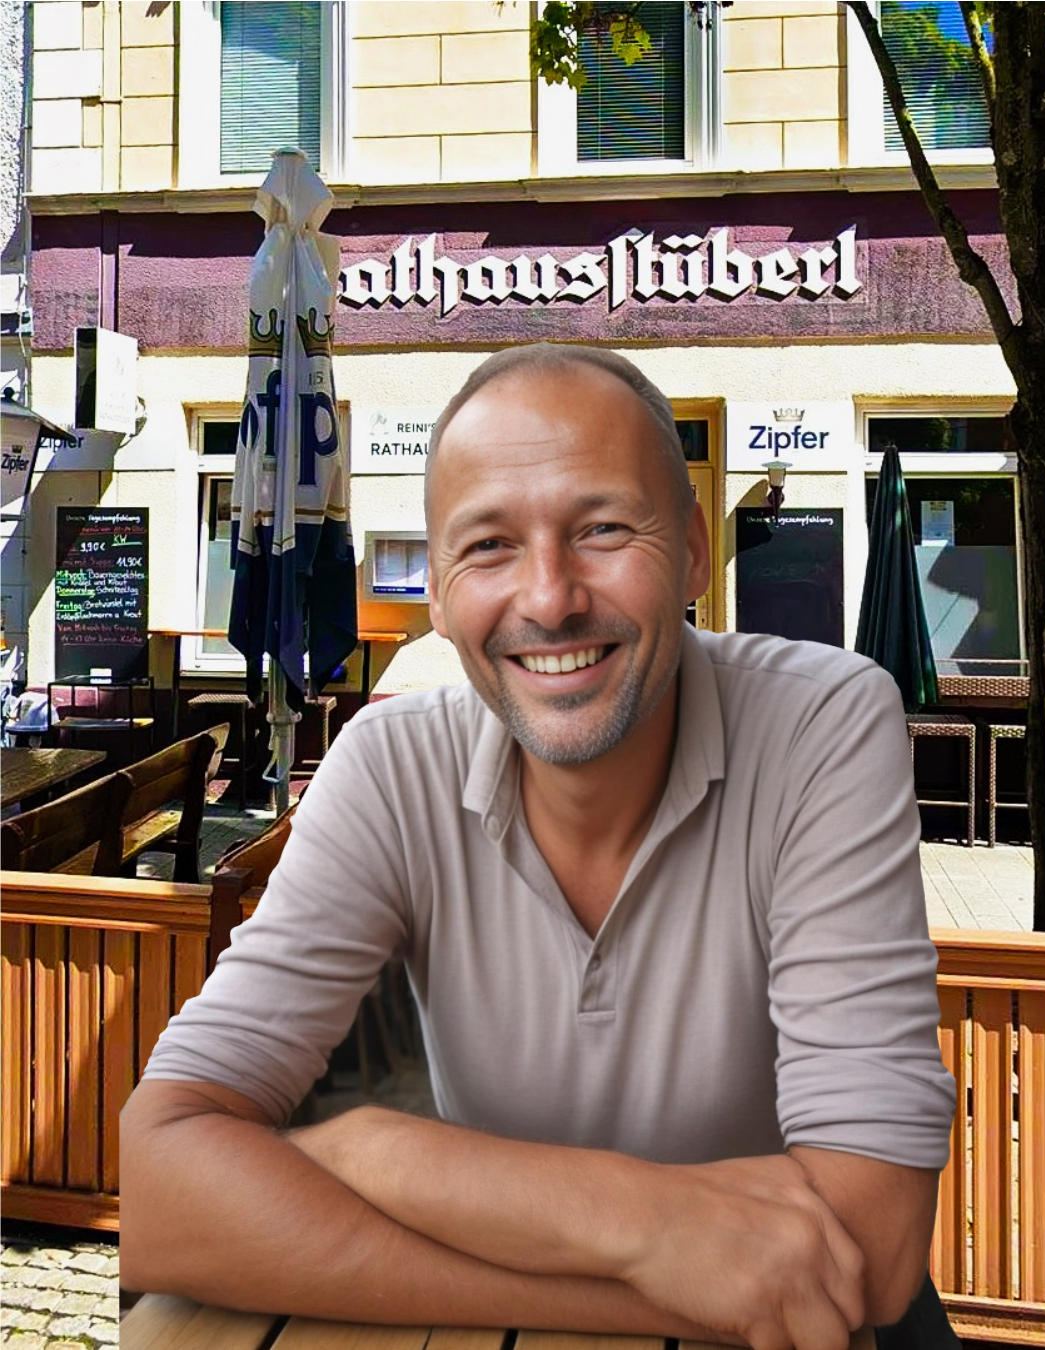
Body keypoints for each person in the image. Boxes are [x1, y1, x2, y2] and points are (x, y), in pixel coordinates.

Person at [121, 344, 956, 1350]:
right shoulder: (388, 765)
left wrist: (386, 1158)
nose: (550, 597)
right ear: (436, 594)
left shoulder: (824, 722)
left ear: (694, 551)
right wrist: (643, 1232)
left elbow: (873, 1245)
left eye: (603, 529)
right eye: (488, 547)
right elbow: (160, 1184)